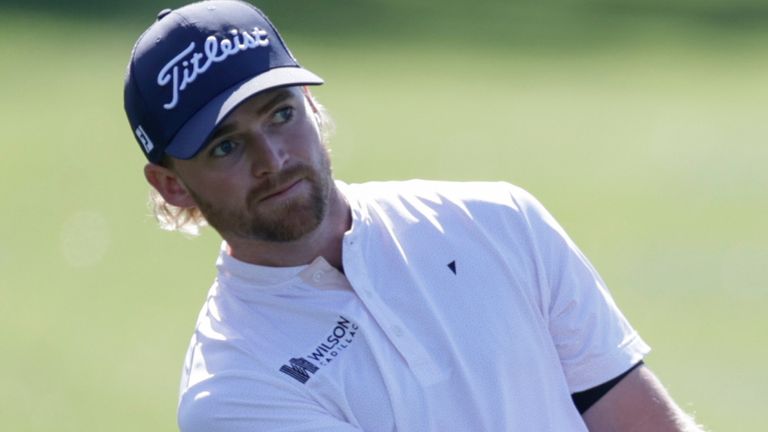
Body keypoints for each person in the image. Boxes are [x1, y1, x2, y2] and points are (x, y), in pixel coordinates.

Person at [124, 1, 704, 431]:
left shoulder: (498, 220)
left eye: (280, 114)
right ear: (173, 186)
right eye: (226, 146)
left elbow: (642, 422)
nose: (272, 160)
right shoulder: (231, 392)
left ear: (312, 106)